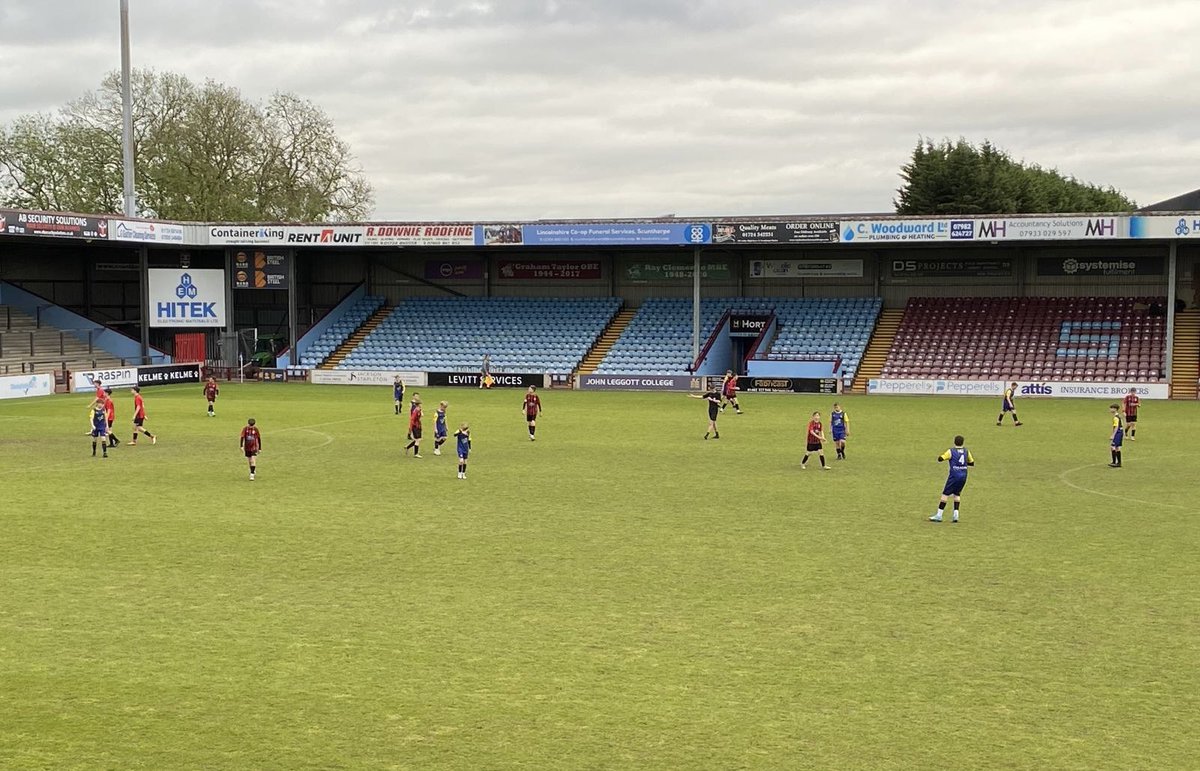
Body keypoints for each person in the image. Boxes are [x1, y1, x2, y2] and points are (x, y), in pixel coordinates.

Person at [930, 435, 975, 523]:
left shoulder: (951, 451)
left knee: (945, 494)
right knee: (957, 494)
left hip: (954, 475)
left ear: (954, 442)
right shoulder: (966, 451)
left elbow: (940, 459)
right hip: (963, 476)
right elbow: (972, 463)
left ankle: (939, 515)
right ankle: (956, 515)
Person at [1109, 404, 1124, 468]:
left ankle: (1114, 462)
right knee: (1118, 447)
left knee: (1113, 447)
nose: (1110, 410)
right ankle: (1119, 463)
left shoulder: (1116, 417)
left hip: (1118, 433)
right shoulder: (1118, 416)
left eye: (1111, 408)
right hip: (1120, 432)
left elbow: (1116, 427)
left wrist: (1113, 435)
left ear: (1115, 409)